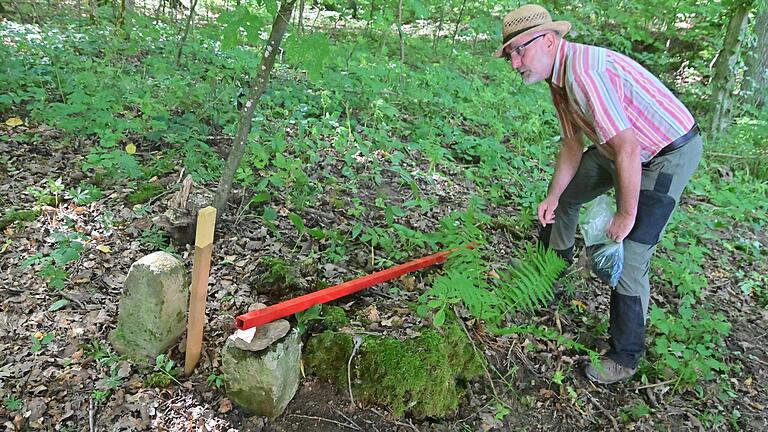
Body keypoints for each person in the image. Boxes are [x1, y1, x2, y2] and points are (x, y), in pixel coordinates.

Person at [494, 4, 703, 384]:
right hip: (618, 148)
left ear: (550, 41)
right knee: (567, 199)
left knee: (633, 251)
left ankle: (625, 356)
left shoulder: (584, 74)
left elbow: (630, 149)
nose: (514, 63)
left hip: (665, 154)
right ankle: (547, 275)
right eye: (510, 54)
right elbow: (573, 143)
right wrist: (554, 196)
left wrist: (625, 214)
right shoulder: (557, 79)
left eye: (520, 50)